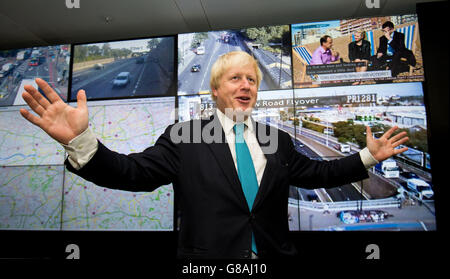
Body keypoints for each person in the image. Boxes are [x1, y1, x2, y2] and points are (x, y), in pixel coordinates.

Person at [19, 51, 409, 259]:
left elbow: (318, 175)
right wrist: (81, 139)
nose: (246, 86)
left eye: (252, 79)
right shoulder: (184, 137)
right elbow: (132, 173)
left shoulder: (279, 140)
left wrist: (367, 158)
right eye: (235, 78)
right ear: (215, 92)